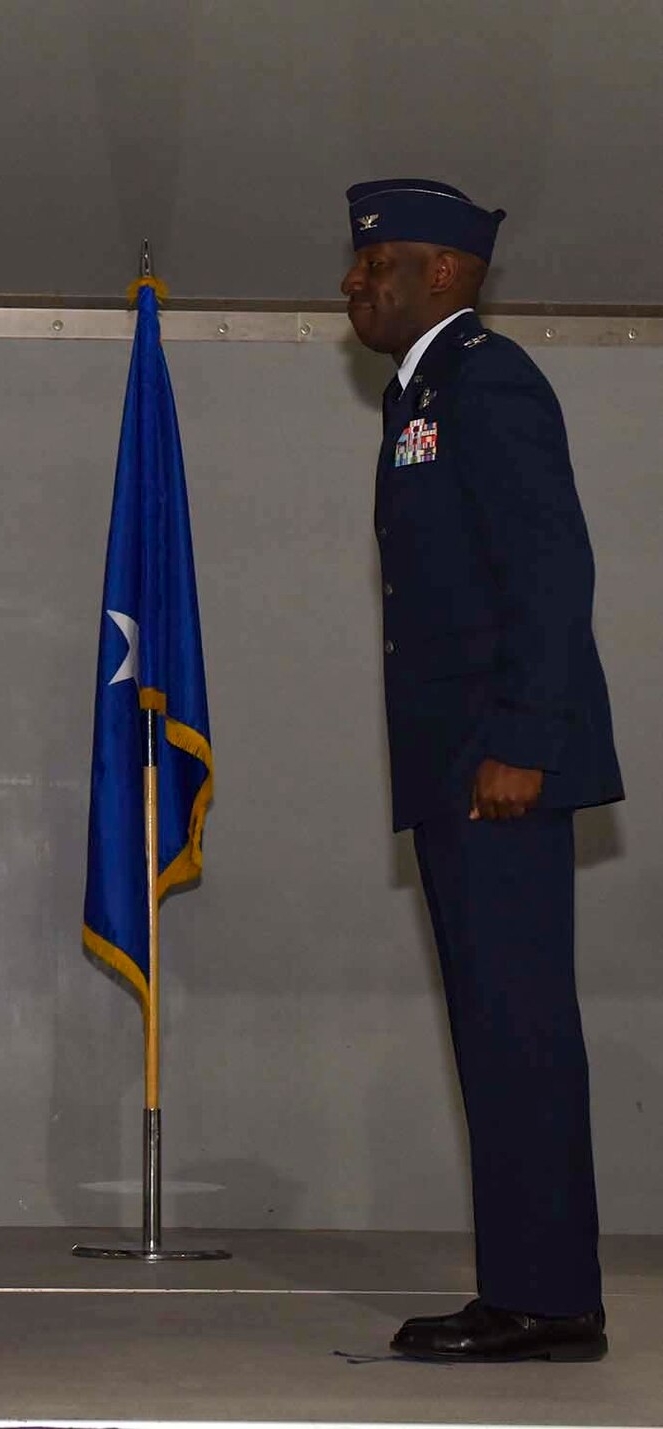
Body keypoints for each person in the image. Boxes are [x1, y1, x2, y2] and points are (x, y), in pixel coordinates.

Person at [341, 178, 621, 1363]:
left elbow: (549, 569)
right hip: (461, 764)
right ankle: (524, 1285)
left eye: (378, 265)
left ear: (447, 275)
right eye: (354, 264)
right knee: (494, 1032)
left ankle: (549, 1299)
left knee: (517, 1030)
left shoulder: (488, 382)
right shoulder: (424, 391)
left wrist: (518, 736)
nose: (352, 282)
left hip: (498, 762)